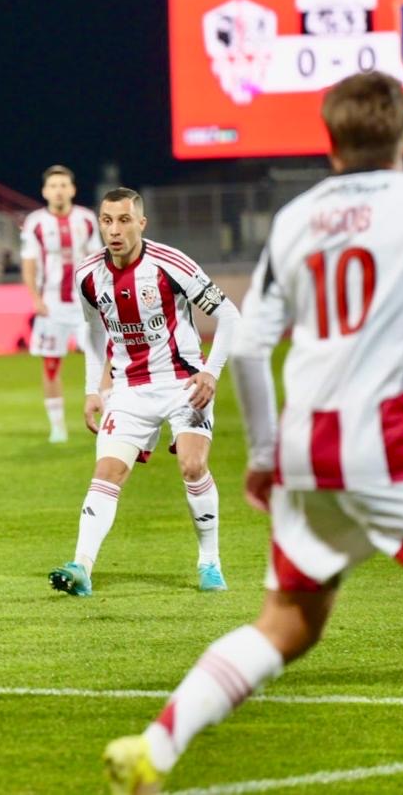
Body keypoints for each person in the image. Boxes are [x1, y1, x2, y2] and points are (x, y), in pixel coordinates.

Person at [103, 72, 403, 794]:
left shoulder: (299, 216)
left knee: (287, 624)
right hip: (392, 443)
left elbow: (248, 345)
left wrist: (261, 456)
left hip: (307, 449)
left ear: (330, 141)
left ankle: (156, 744)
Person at [49, 187, 240, 599]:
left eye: (122, 220)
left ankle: (210, 561)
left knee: (192, 466)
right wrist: (92, 390)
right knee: (107, 473)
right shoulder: (87, 275)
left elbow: (229, 315)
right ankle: (81, 567)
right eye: (106, 220)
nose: (113, 230)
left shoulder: (171, 264)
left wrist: (211, 372)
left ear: (141, 223)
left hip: (183, 383)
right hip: (129, 389)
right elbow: (94, 330)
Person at [20, 165, 100, 443]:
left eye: (63, 185)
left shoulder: (87, 219)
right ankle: (58, 427)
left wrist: (100, 296)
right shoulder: (35, 223)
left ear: (72, 189)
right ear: (45, 191)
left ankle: (112, 419)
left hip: (84, 306)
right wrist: (35, 298)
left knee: (102, 359)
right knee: (51, 365)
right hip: (52, 305)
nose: (58, 190)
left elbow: (98, 260)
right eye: (53, 186)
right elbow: (29, 263)